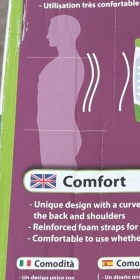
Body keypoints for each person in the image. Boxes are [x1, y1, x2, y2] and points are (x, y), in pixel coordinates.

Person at [36, 15, 84, 169]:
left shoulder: (69, 64)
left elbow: (61, 106)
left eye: (50, 31)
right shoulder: (64, 63)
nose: (47, 36)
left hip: (59, 134)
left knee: (61, 173)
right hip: (52, 132)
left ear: (62, 33)